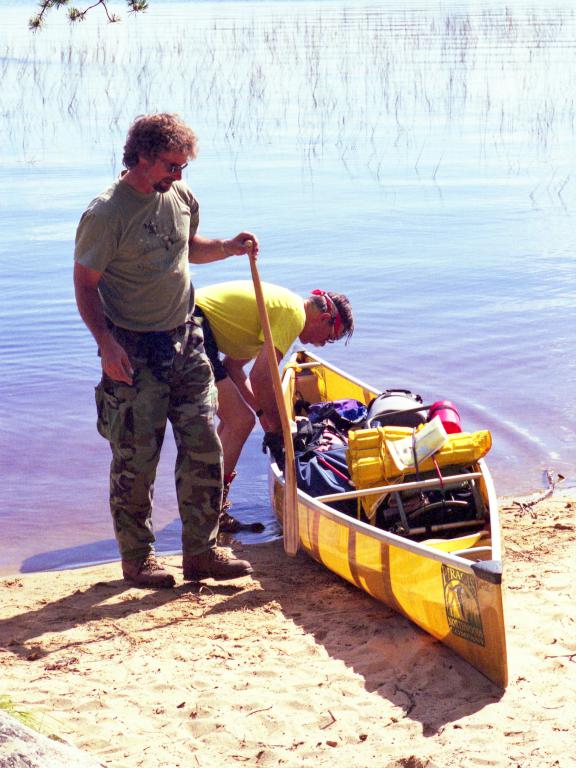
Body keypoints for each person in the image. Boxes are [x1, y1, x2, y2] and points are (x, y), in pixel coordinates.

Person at [73, 113, 257, 588]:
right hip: (132, 347)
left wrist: (229, 248)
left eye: (182, 168)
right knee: (137, 458)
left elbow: (188, 247)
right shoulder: (106, 213)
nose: (178, 176)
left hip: (186, 337)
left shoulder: (178, 196)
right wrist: (106, 344)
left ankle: (201, 553)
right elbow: (85, 285)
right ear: (141, 157)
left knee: (203, 446)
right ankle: (138, 560)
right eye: (170, 166)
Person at [193, 281, 354, 531]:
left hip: (191, 322)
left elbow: (234, 368)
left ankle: (204, 503)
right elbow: (261, 377)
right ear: (323, 318)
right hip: (191, 325)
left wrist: (262, 414)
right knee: (240, 421)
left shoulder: (279, 313)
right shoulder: (294, 314)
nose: (321, 345)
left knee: (234, 420)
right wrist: (278, 426)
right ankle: (209, 513)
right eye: (329, 338)